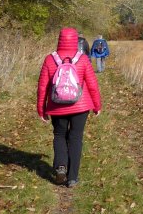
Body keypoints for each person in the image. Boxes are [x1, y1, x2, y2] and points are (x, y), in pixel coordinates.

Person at [37, 27, 102, 187]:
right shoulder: (83, 59)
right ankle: (72, 177)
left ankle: (61, 166)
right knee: (76, 138)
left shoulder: (50, 59)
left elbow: (42, 87)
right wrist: (97, 105)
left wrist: (41, 108)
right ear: (76, 40)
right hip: (80, 105)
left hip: (56, 105)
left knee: (59, 135)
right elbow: (92, 85)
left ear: (59, 39)